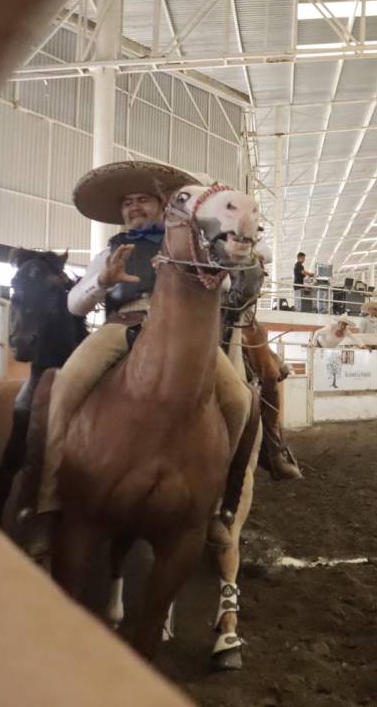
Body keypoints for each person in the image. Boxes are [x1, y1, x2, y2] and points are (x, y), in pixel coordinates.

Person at [45, 161, 297, 518]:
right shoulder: (109, 252)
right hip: (124, 325)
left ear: (164, 207)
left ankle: (223, 497)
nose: (134, 206)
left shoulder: (194, 246)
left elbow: (238, 274)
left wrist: (236, 247)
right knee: (66, 383)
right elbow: (75, 305)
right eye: (127, 202)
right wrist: (103, 280)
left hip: (186, 336)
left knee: (240, 401)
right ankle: (50, 493)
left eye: (143, 199)